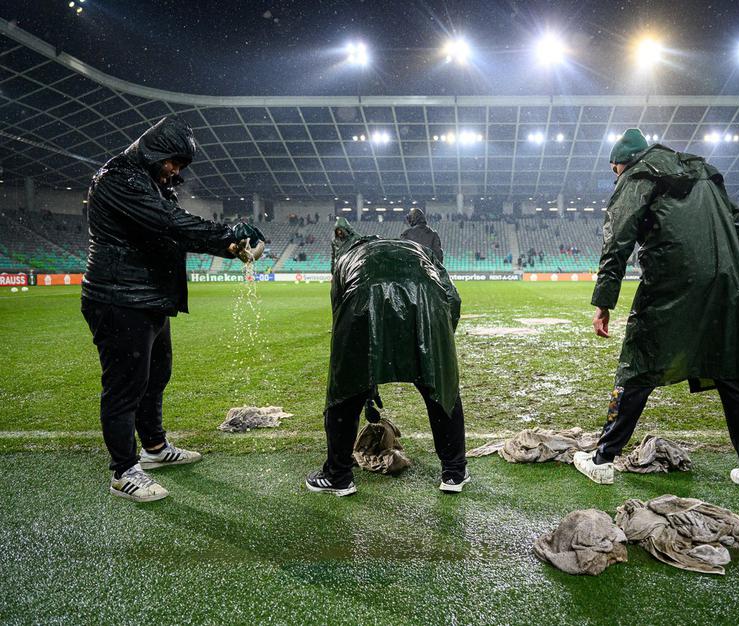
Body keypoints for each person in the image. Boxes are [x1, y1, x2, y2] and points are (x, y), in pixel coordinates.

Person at [575, 128, 739, 499]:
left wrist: (604, 301)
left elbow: (617, 239)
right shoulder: (703, 172)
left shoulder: (637, 175)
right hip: (725, 280)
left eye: (615, 171)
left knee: (638, 366)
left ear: (623, 162)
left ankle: (603, 460)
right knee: (731, 371)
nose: (616, 178)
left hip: (672, 280)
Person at [82, 116, 266, 503]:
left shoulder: (150, 181)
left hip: (147, 297)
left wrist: (229, 247)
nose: (176, 171)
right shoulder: (120, 178)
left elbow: (175, 232)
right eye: (174, 161)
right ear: (156, 151)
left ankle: (154, 448)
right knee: (124, 388)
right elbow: (169, 223)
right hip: (119, 298)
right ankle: (123, 472)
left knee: (155, 376)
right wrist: (227, 233)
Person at [306, 218, 467, 496]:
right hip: (426, 301)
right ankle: (454, 472)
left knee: (345, 388)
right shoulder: (421, 252)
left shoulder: (346, 257)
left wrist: (364, 384)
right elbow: (452, 299)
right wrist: (439, 345)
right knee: (441, 389)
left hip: (362, 300)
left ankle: (338, 476)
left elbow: (339, 314)